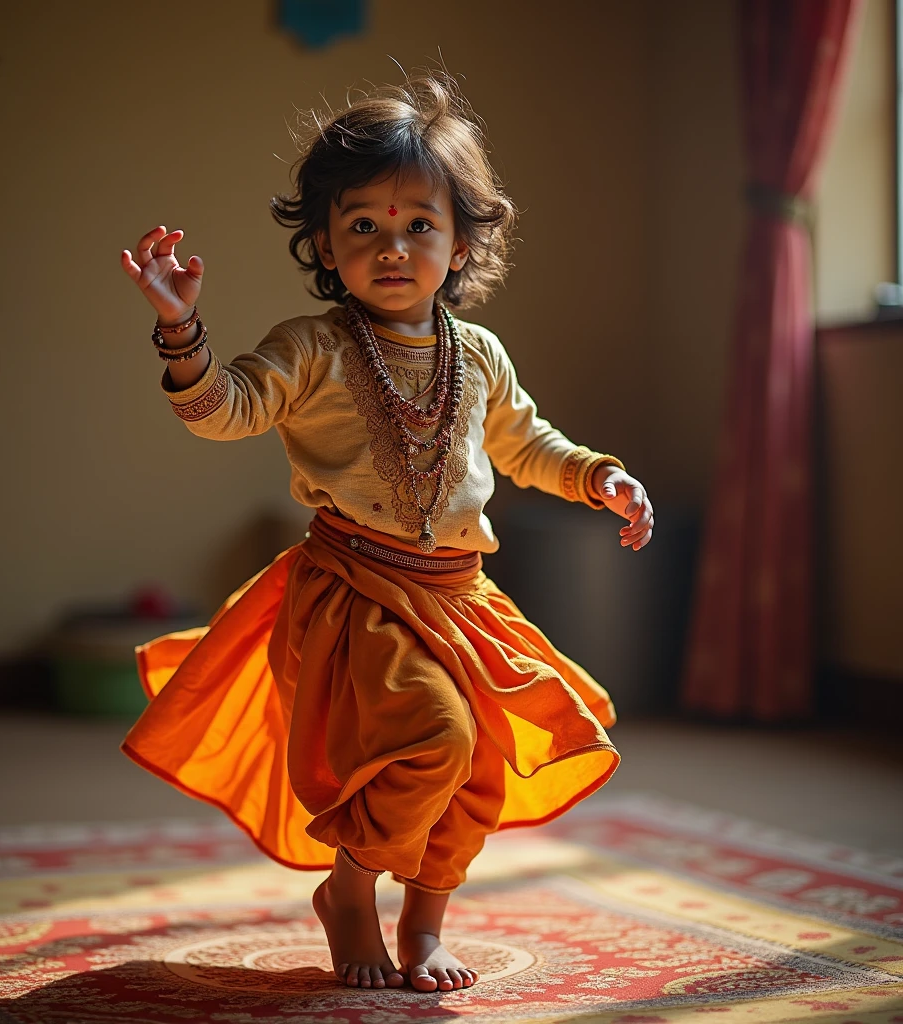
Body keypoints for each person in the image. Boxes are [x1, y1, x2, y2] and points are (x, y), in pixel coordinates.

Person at [119, 71, 654, 994]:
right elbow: (223, 409)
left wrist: (597, 475)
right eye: (363, 225)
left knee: (480, 765)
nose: (393, 246)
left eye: (420, 224)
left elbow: (528, 444)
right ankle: (352, 889)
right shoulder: (312, 347)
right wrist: (182, 330)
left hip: (461, 596)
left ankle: (427, 923)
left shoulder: (478, 353)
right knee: (434, 739)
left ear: (461, 240)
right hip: (358, 592)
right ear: (325, 240)